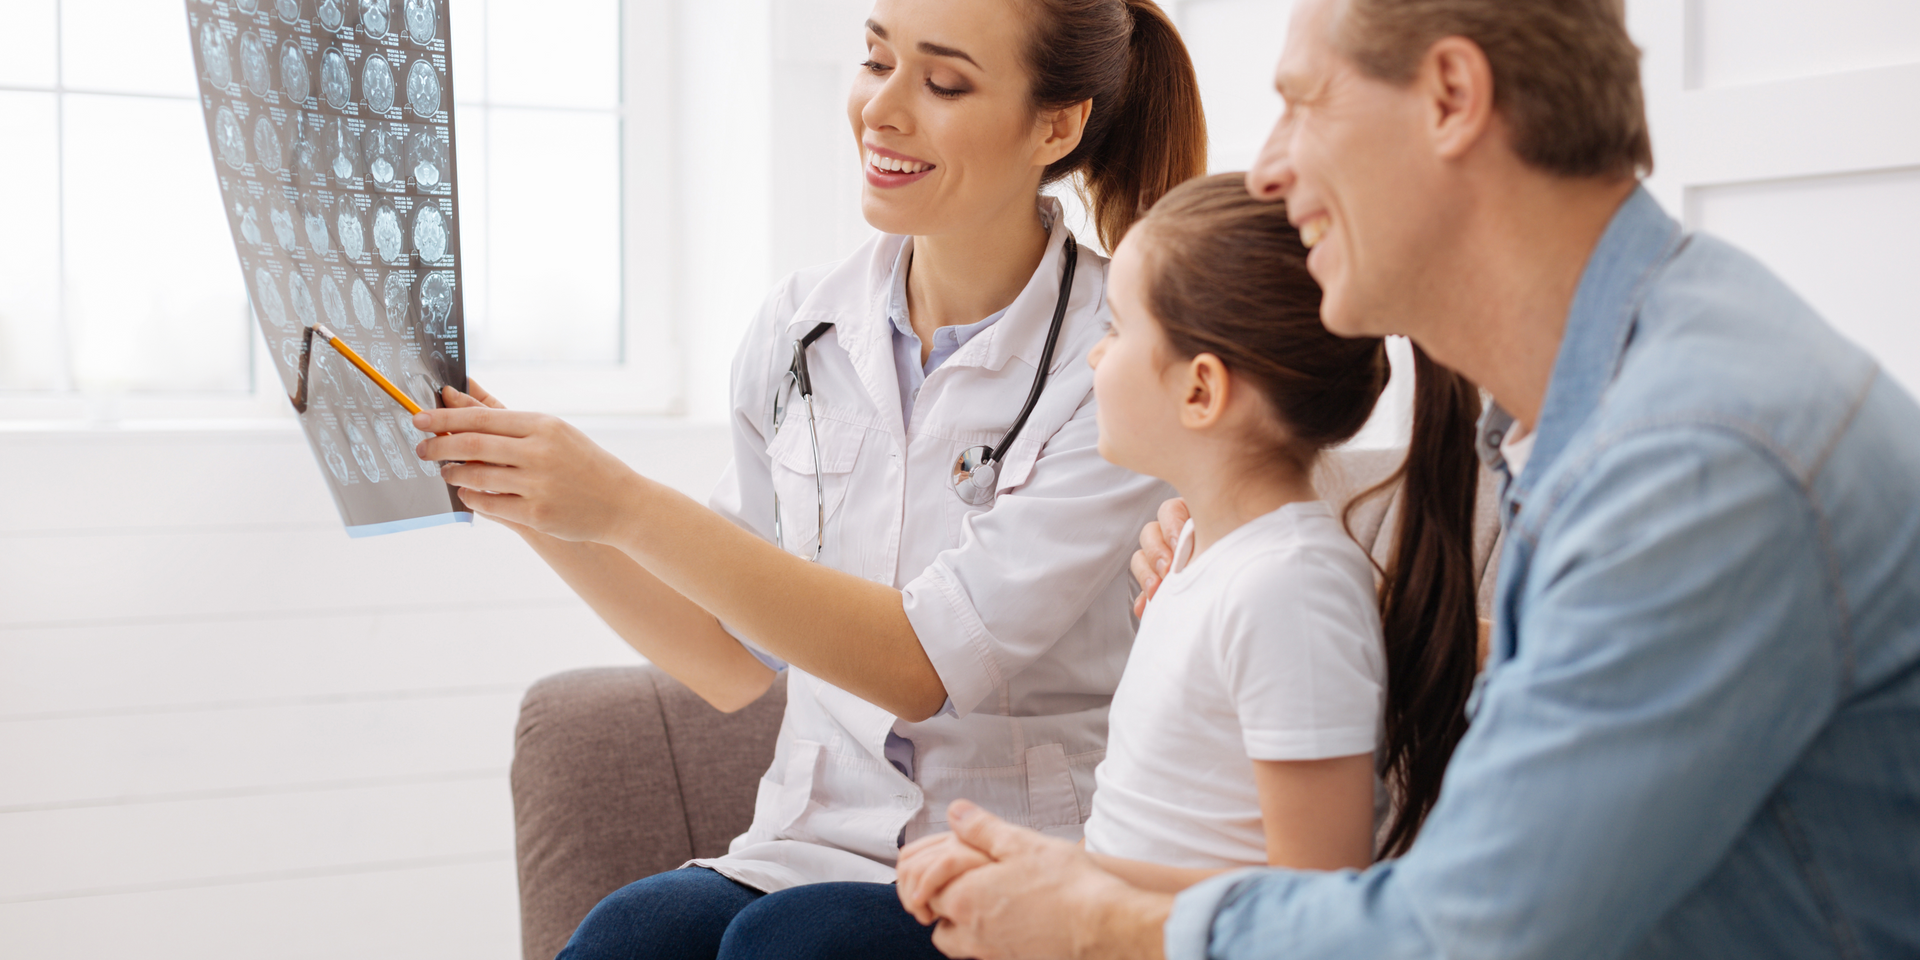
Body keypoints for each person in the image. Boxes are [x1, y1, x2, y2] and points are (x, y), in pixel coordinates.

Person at [893, 0, 1920, 958]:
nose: (1269, 171)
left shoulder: (1691, 461)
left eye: (1303, 104)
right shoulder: (1612, 411)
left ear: (1451, 99)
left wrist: (1097, 918)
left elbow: (1466, 934)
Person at [412, 0, 1208, 956]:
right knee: (629, 935)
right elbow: (725, 659)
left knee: (793, 944)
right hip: (807, 846)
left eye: (943, 82)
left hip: (1016, 860)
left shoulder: (1123, 357)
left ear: (1057, 125)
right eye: (875, 61)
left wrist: (622, 501)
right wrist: (530, 496)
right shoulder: (800, 327)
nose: (883, 109)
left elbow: (920, 666)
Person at [896, 173, 1483, 911]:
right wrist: (1044, 871)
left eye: (1116, 330)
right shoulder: (1204, 552)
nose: (1094, 358)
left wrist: (1059, 880)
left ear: (1200, 390)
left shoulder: (1290, 591)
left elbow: (1316, 905)